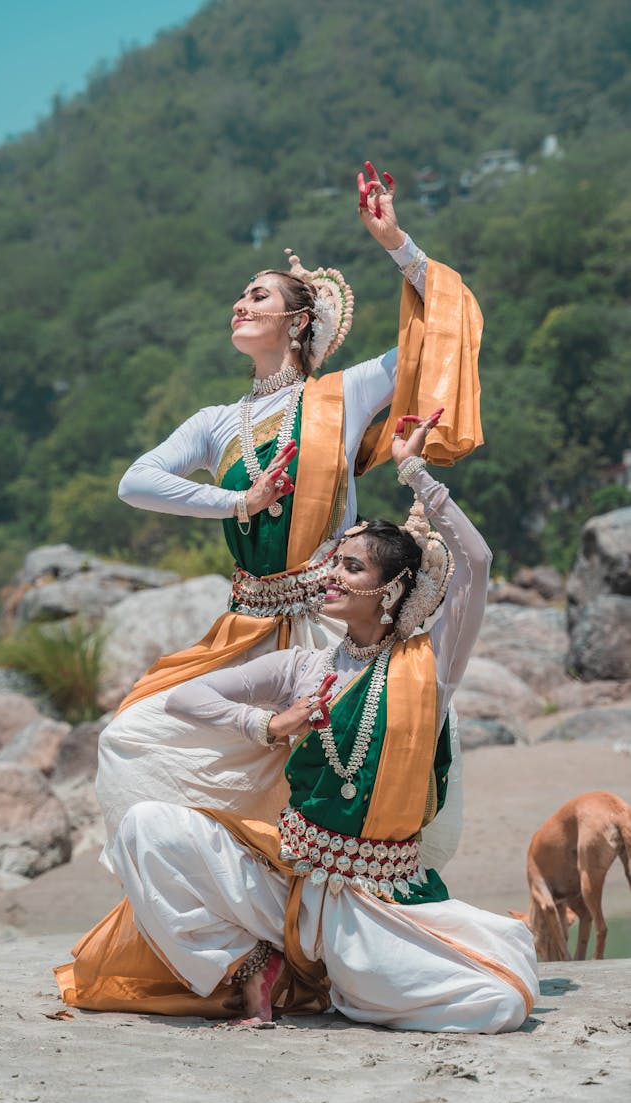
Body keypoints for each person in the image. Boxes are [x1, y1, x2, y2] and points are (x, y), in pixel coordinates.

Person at [56, 414, 538, 1031]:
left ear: (391, 589)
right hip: (290, 882)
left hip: (374, 904)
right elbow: (185, 700)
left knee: (497, 1002)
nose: (331, 575)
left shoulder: (429, 667)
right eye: (334, 563)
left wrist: (414, 472)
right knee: (145, 831)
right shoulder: (303, 669)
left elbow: (475, 558)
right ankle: (255, 964)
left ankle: (339, 973)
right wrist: (269, 726)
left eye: (353, 567)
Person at [95, 162, 484, 868]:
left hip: (335, 619)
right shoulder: (217, 421)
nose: (241, 303)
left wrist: (396, 242)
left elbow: (442, 330)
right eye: (241, 295)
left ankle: (331, 928)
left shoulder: (346, 392)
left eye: (259, 295)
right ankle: (251, 931)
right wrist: (236, 501)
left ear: (299, 321)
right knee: (132, 735)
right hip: (245, 626)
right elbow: (135, 481)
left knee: (337, 768)